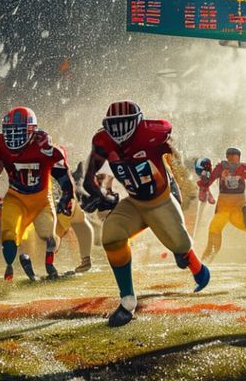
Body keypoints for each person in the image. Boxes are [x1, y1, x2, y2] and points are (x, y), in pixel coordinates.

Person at [81, 100, 209, 327]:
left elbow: (176, 162)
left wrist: (182, 188)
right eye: (115, 125)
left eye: (125, 124)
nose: (119, 131)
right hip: (134, 203)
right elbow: (89, 178)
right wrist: (102, 198)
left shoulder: (154, 134)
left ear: (138, 123)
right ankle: (128, 301)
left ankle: (198, 269)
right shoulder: (103, 140)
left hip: (160, 201)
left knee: (180, 246)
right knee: (111, 236)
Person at [0, 107, 75, 281]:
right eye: (10, 132)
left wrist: (68, 193)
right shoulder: (1, 147)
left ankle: (49, 263)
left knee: (48, 236)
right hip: (16, 197)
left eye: (19, 132)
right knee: (8, 234)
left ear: (32, 131)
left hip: (42, 198)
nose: (14, 137)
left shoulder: (43, 147)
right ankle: (11, 268)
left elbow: (61, 171)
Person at [200, 147, 246, 263]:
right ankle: (207, 257)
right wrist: (205, 184)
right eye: (230, 158)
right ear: (226, 157)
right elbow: (208, 182)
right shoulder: (220, 167)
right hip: (223, 207)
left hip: (238, 208)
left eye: (234, 158)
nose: (232, 161)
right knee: (214, 231)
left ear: (239, 158)